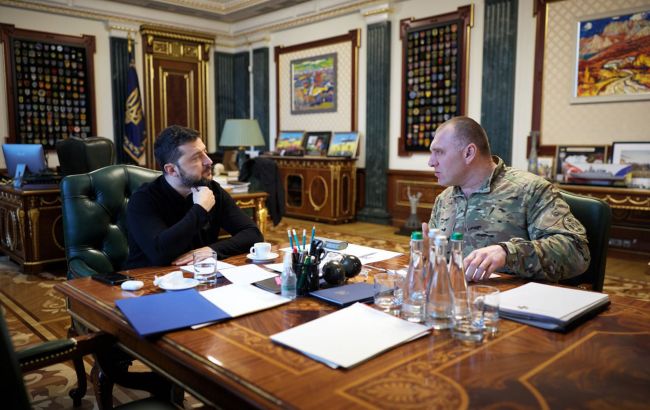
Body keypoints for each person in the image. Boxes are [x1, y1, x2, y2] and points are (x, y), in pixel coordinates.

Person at [424, 116, 590, 283]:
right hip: (453, 295)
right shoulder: (444, 199)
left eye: (439, 152)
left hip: (514, 296)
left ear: (469, 153)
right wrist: (427, 254)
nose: (431, 162)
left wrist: (508, 253)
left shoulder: (529, 190)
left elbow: (577, 251)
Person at [126, 125, 263, 268]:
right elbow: (160, 253)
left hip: (200, 275)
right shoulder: (142, 200)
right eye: (197, 157)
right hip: (148, 278)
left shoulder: (212, 189)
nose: (209, 161)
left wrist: (212, 250)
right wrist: (200, 209)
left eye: (205, 152)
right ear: (172, 170)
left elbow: (253, 234)